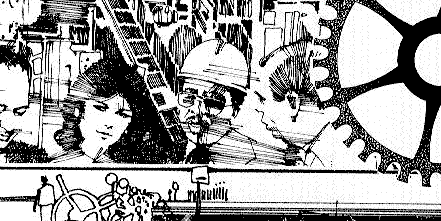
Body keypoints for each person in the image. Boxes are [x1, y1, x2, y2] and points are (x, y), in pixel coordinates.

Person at [176, 36, 284, 165]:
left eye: (213, 103)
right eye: (188, 98)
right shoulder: (180, 154)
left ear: (235, 110)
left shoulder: (253, 164)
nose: (197, 111)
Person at [253, 37, 341, 167]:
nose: (257, 108)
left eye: (262, 100)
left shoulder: (333, 162)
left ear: (293, 102)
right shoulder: (309, 151)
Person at [50, 57, 154, 164]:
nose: (109, 123)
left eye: (123, 114)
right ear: (78, 110)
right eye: (100, 108)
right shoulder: (57, 164)